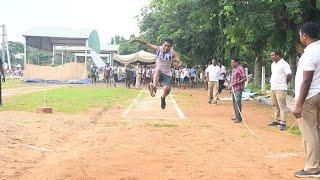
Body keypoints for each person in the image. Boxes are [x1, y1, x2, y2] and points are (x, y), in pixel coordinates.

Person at [293, 22, 320, 178]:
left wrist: (298, 104)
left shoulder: (310, 52)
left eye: (300, 34)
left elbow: (307, 80)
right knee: (317, 131)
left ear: (305, 35)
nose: (300, 37)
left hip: (309, 97)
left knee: (309, 133)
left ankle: (312, 168)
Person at [130, 37, 181, 109]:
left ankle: (162, 98)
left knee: (167, 89)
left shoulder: (173, 53)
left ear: (171, 47)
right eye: (165, 45)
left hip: (167, 73)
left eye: (168, 46)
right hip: (158, 72)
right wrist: (136, 40)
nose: (166, 48)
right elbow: (146, 43)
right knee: (158, 70)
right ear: (162, 44)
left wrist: (178, 63)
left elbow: (178, 61)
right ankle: (154, 87)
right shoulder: (158, 48)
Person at [267, 49, 292, 131]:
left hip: (281, 88)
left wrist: (285, 82)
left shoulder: (284, 64)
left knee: (282, 106)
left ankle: (283, 123)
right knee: (274, 104)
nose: (271, 57)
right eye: (271, 55)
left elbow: (289, 75)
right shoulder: (272, 64)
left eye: (273, 55)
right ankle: (276, 120)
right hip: (273, 87)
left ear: (278, 55)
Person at [231, 58, 247, 123]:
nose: (231, 64)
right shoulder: (234, 69)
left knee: (237, 102)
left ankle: (238, 118)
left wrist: (238, 82)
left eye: (233, 62)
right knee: (234, 103)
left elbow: (245, 78)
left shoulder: (241, 68)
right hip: (233, 89)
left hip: (238, 88)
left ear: (236, 62)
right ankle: (237, 116)